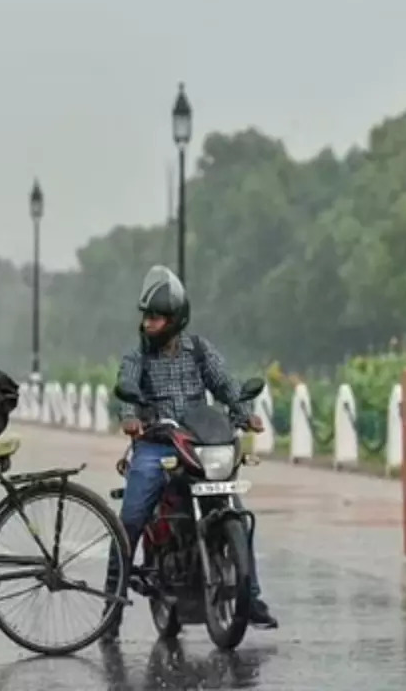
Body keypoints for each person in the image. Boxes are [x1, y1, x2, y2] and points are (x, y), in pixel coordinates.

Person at [103, 265, 278, 641]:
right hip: (156, 445)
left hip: (200, 444)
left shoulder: (199, 350)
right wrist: (131, 416)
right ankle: (111, 605)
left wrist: (245, 414)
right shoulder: (138, 358)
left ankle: (251, 595)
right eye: (146, 316)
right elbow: (127, 386)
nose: (148, 323)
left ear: (174, 319)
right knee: (130, 518)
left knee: (234, 505)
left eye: (155, 316)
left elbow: (226, 384)